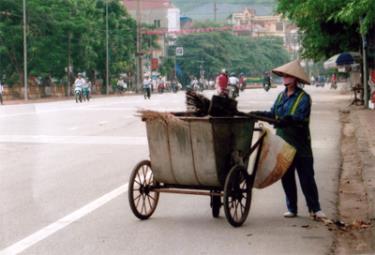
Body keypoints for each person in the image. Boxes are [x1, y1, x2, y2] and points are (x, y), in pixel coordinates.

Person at [252, 60, 326, 220]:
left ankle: (315, 208)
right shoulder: (280, 96)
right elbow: (273, 113)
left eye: (288, 75)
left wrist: (287, 119)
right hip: (283, 143)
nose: (285, 78)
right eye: (284, 75)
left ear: (295, 78)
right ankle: (292, 208)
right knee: (287, 177)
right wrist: (257, 114)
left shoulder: (304, 98)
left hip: (301, 144)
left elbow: (300, 117)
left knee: (306, 177)